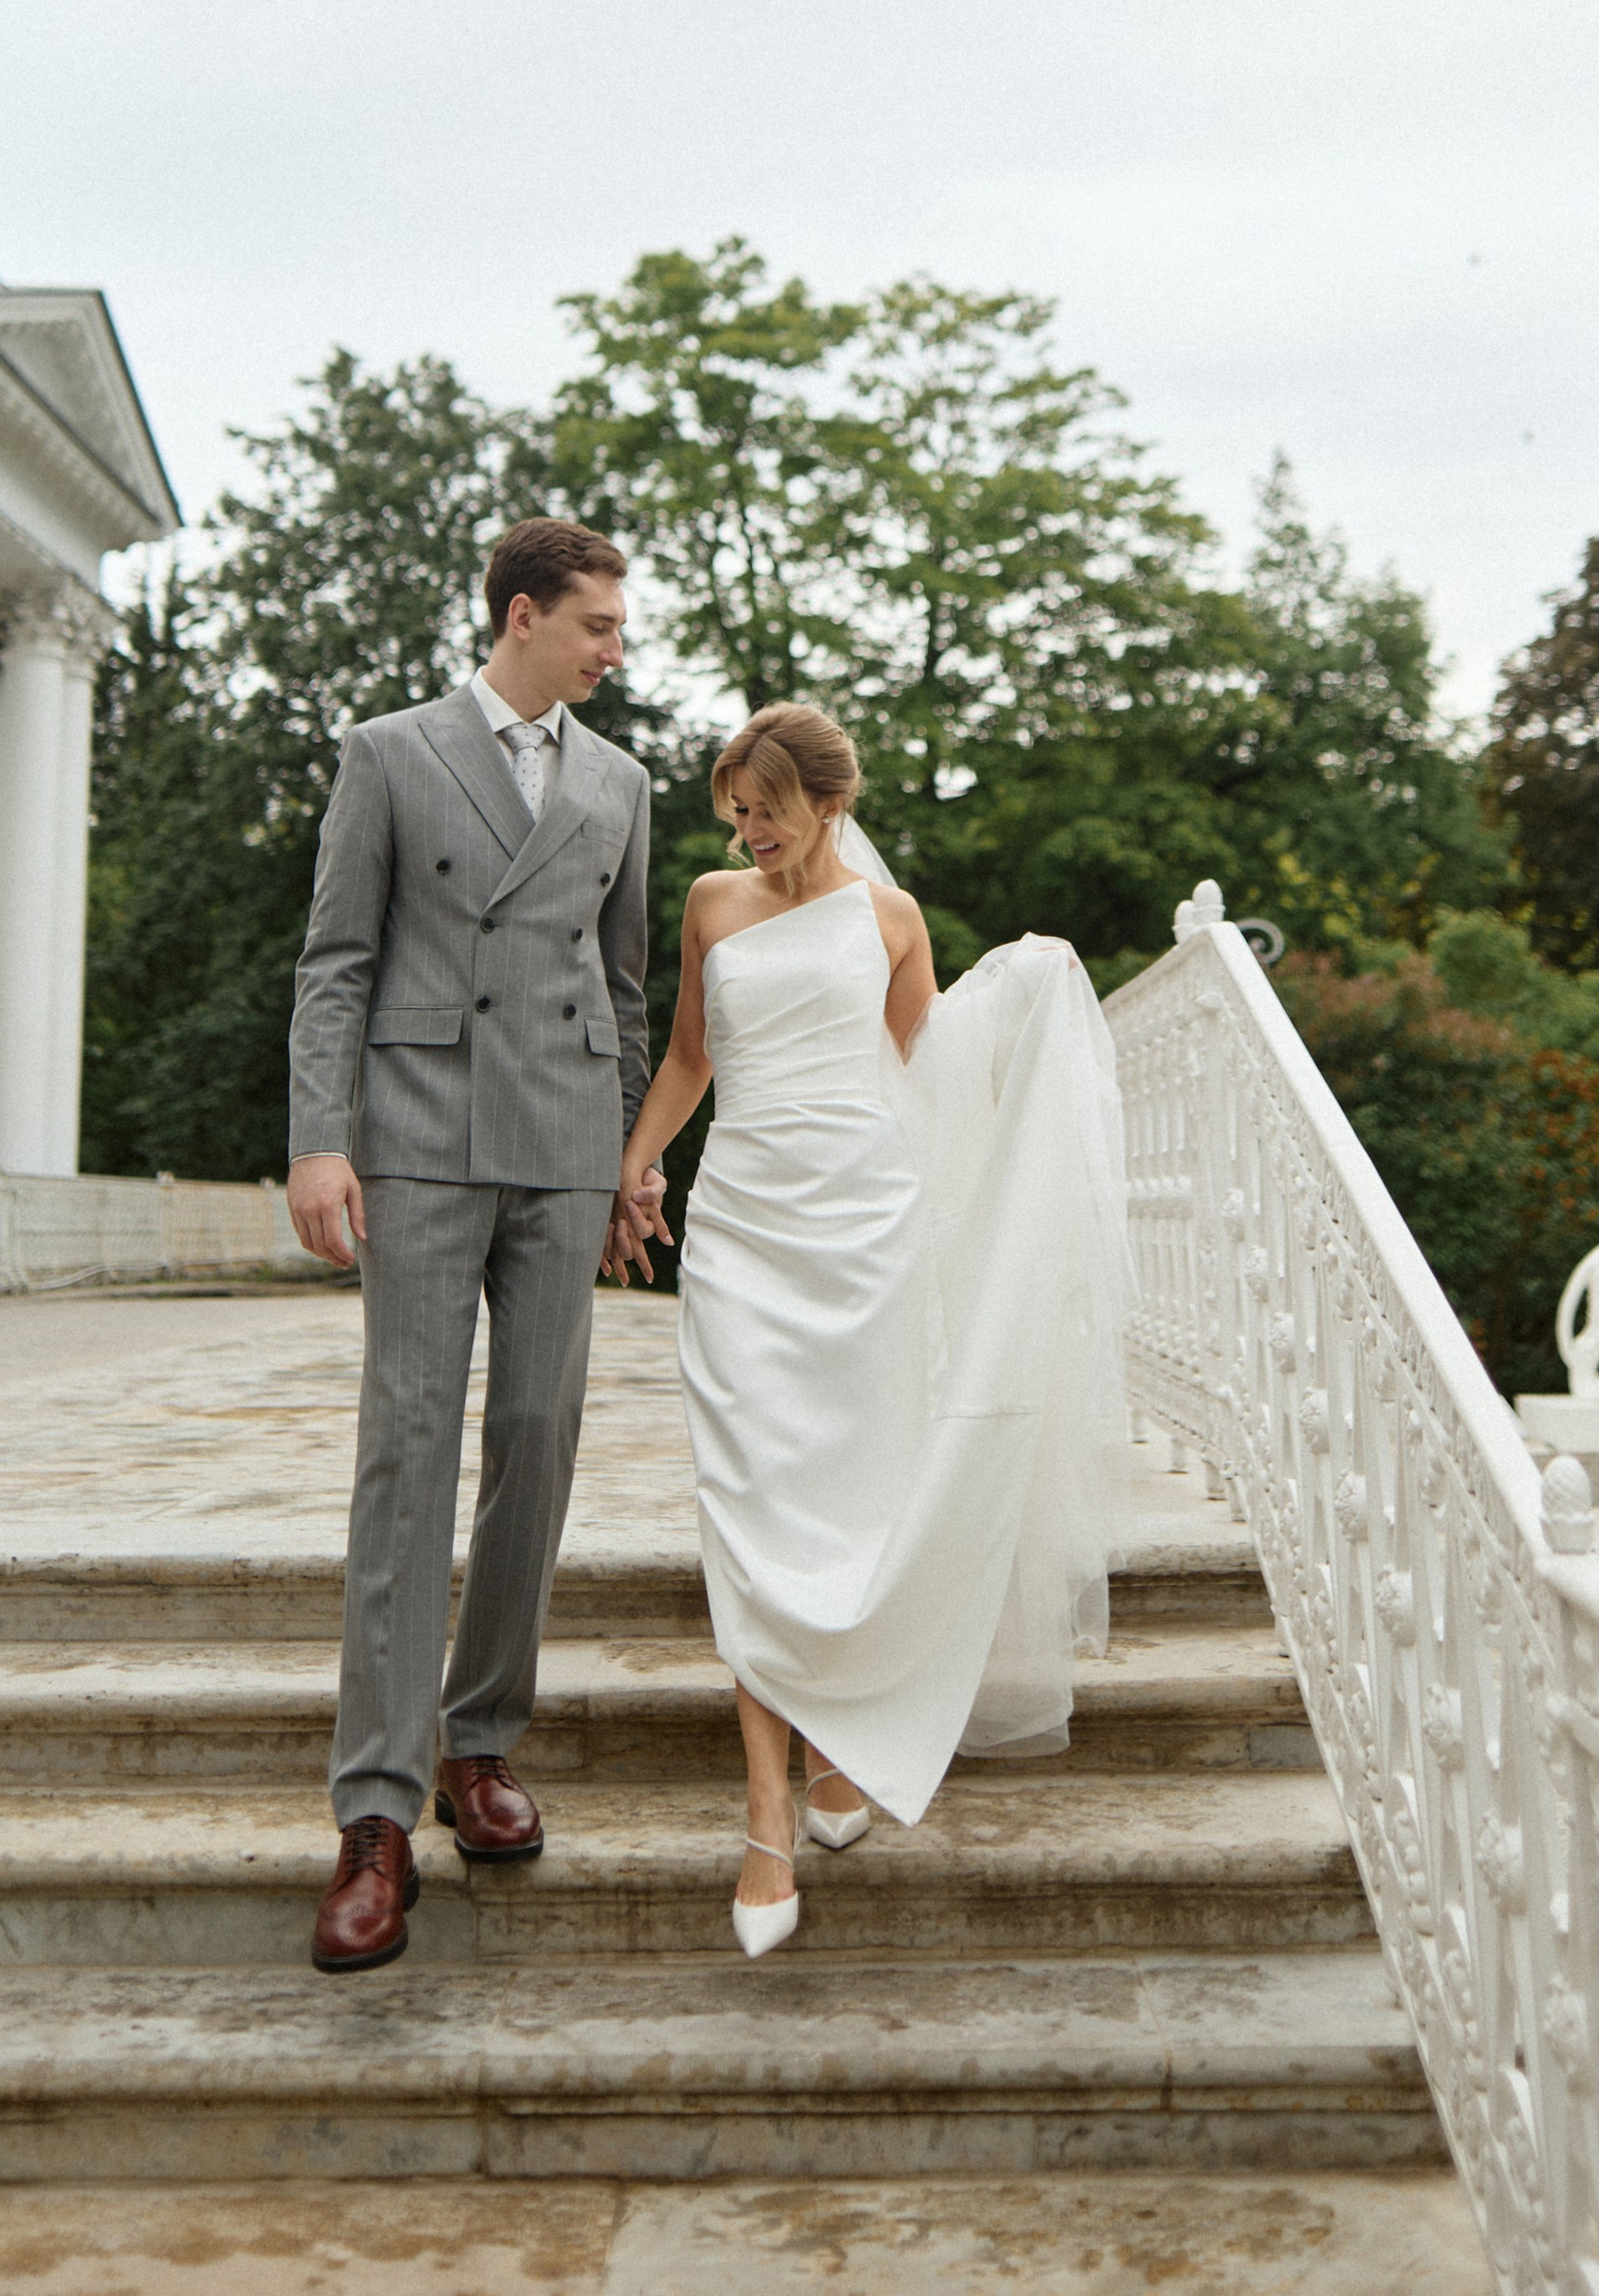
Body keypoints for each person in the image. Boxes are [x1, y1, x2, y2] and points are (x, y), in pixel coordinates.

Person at [615, 701, 1134, 1956]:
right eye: (733, 808)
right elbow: (690, 1053)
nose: (746, 832)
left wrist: (1023, 990)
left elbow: (929, 1071)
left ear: (831, 803)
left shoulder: (892, 922)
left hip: (864, 1234)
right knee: (751, 1499)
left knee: (855, 1496)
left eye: (766, 809)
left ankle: (842, 1740)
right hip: (742, 1230)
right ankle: (764, 1813)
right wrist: (635, 1165)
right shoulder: (711, 904)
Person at [285, 517, 670, 1973]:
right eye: (599, 625)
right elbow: (336, 962)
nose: (616, 648)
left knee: (538, 1430)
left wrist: (630, 1158)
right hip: (422, 1129)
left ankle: (480, 1740)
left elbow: (623, 989)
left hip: (566, 1145)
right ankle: (374, 1815)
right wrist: (324, 1136)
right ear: (523, 617)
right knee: (406, 1441)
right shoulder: (390, 751)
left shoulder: (621, 783)